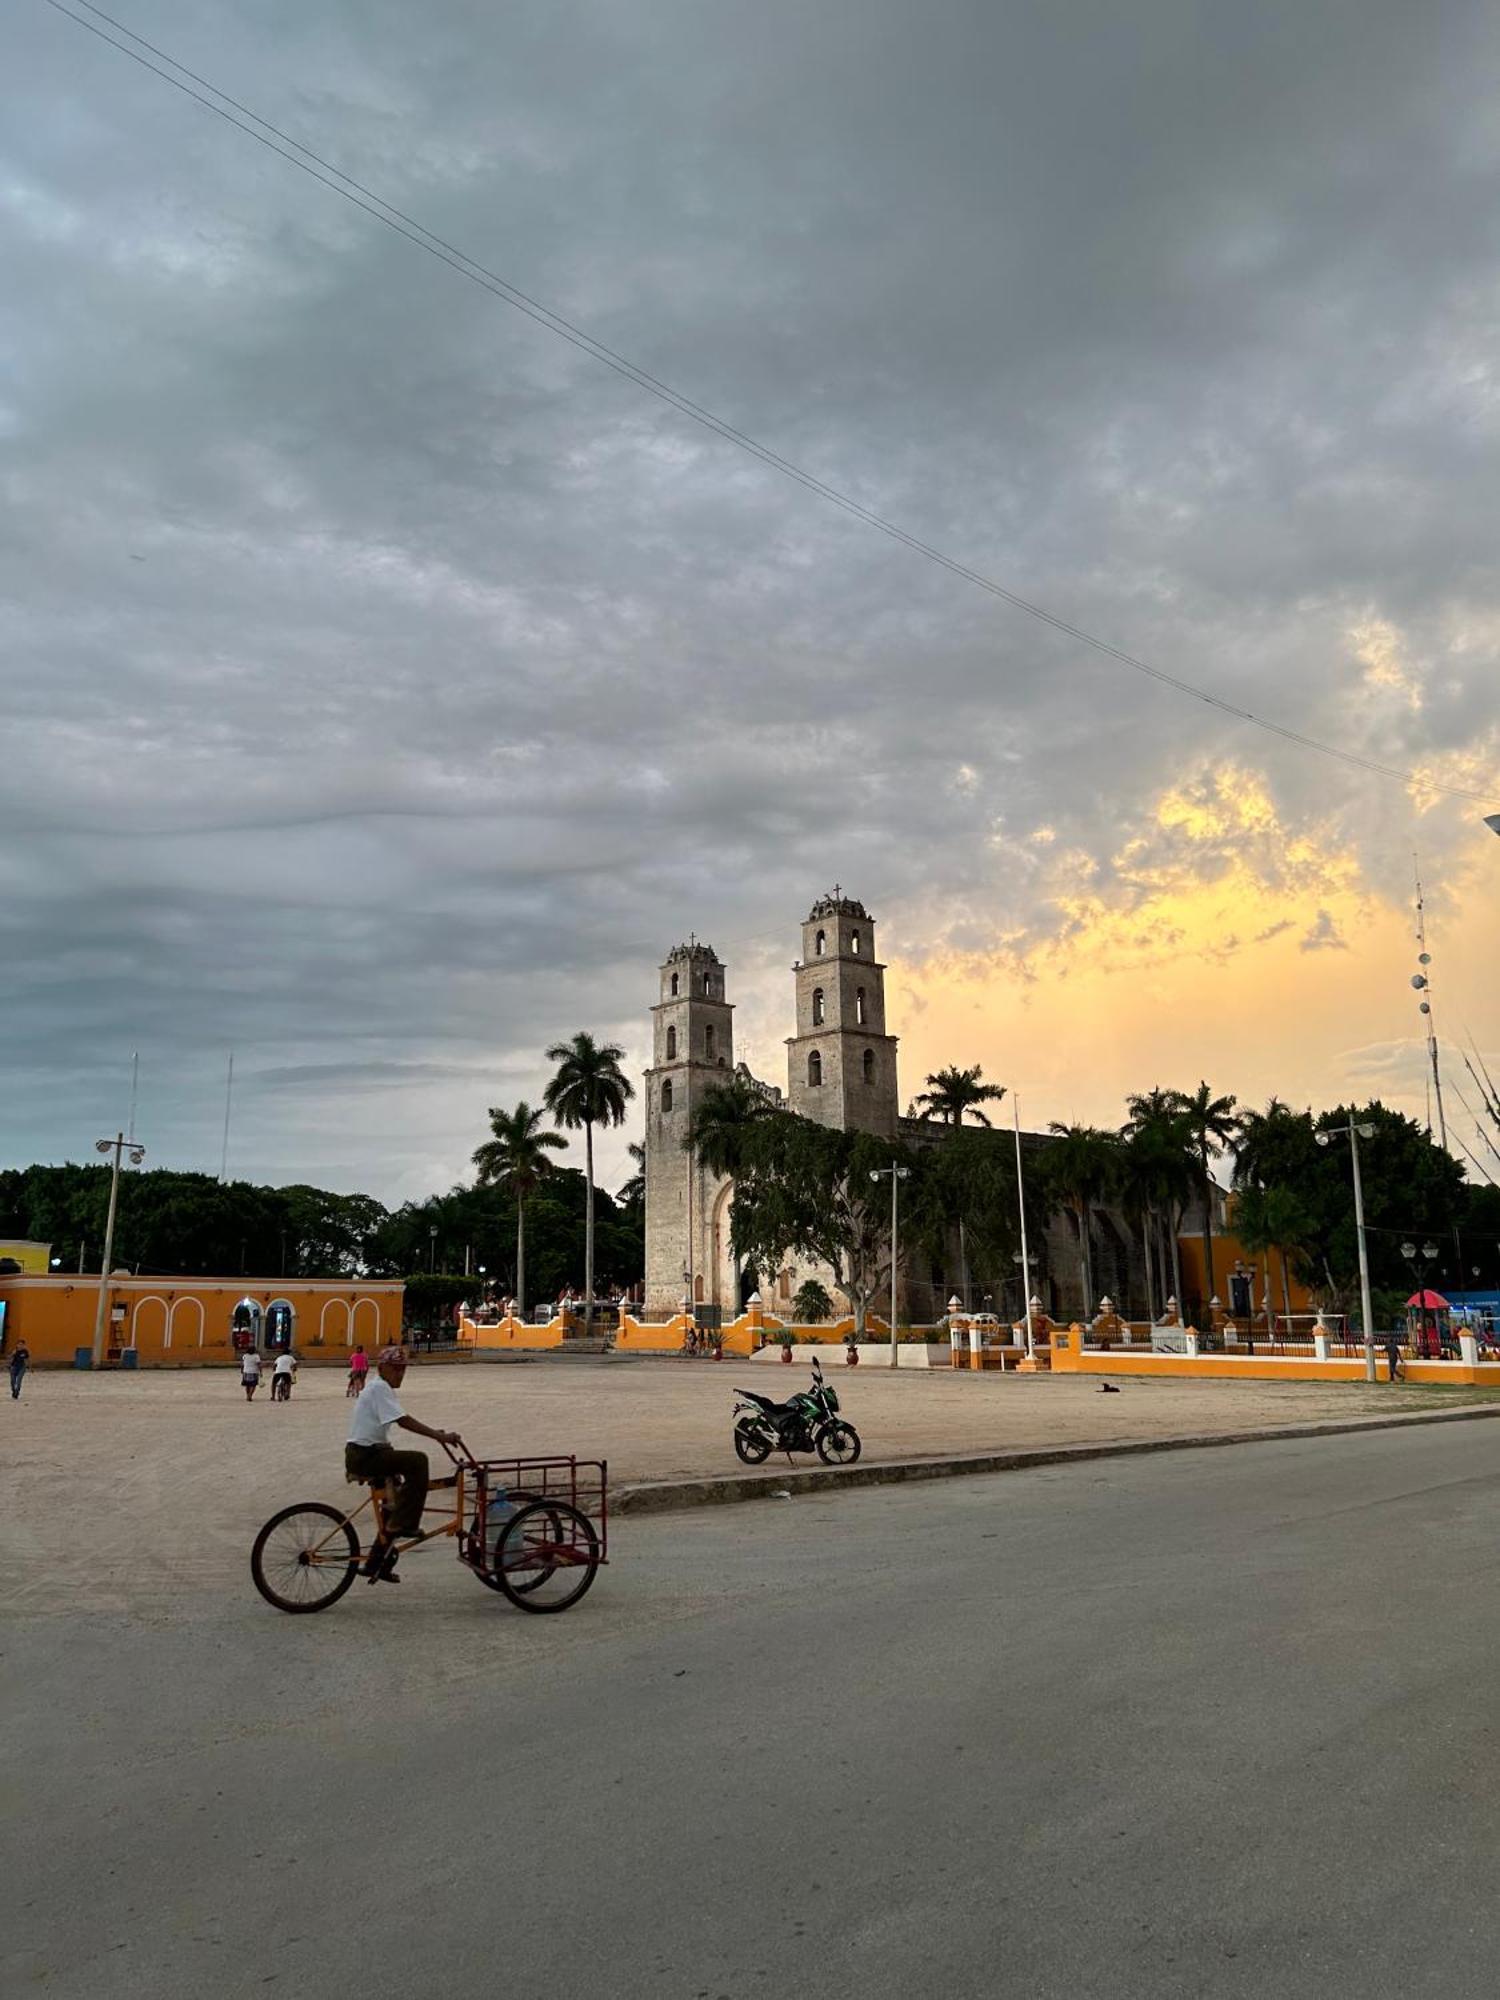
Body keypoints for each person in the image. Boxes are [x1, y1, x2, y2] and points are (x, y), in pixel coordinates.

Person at [345, 1345, 461, 1580]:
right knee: (418, 1462)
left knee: (394, 1503)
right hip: (364, 1455)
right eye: (396, 1369)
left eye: (403, 1369)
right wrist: (439, 1436)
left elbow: (398, 1418)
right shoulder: (379, 1387)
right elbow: (402, 1420)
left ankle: (378, 1562)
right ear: (382, 1368)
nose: (400, 1374)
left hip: (369, 1452)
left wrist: (435, 1433)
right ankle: (406, 1523)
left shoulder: (381, 1388)